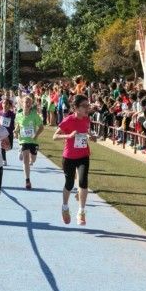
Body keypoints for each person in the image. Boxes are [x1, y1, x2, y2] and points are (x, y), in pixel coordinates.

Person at [53, 95, 97, 225]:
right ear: (76, 108)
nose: (87, 108)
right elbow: (55, 136)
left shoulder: (86, 120)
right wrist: (69, 135)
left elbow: (85, 132)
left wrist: (91, 137)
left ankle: (81, 212)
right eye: (84, 106)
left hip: (83, 155)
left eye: (88, 106)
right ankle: (65, 207)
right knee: (69, 184)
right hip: (69, 157)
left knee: (83, 182)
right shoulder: (68, 120)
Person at [14, 96, 44, 190]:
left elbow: (41, 127)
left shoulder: (35, 115)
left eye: (29, 103)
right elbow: (18, 126)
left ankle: (31, 158)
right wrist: (15, 131)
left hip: (33, 140)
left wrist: (36, 135)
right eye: (25, 102)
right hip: (23, 140)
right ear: (21, 104)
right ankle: (27, 180)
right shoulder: (18, 115)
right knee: (25, 158)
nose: (27, 104)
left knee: (33, 160)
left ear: (31, 105)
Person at [0, 98, 15, 166]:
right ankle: (4, 160)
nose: (5, 105)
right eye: (3, 103)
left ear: (9, 105)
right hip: (1, 133)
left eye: (6, 103)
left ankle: (3, 154)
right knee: (2, 147)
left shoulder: (12, 114)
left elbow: (16, 122)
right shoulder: (0, 113)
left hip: (9, 133)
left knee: (10, 147)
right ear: (2, 104)